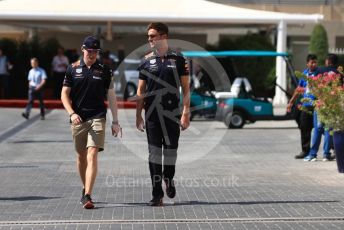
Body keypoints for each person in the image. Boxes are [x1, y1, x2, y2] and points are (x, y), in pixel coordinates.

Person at [61, 36, 122, 209]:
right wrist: (71, 113)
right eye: (90, 51)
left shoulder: (104, 70)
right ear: (83, 49)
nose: (93, 54)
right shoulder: (72, 69)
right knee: (81, 157)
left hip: (98, 116)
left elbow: (111, 96)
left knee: (92, 153)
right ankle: (84, 187)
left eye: (96, 52)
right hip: (78, 118)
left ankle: (88, 195)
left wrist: (115, 121)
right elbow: (64, 94)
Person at [136, 22, 190, 206]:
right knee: (154, 154)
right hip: (151, 114)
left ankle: (169, 177)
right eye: (148, 36)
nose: (149, 39)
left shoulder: (179, 59)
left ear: (163, 36)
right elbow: (140, 91)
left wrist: (185, 112)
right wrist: (138, 116)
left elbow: (186, 88)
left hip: (172, 113)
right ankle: (156, 194)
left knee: (170, 151)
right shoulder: (145, 60)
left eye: (153, 36)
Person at [304, 54, 339, 161]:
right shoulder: (340, 73)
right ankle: (326, 154)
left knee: (318, 129)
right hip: (332, 104)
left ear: (328, 61)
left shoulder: (320, 70)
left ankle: (313, 154)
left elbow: (313, 86)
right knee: (328, 129)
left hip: (320, 104)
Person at [287, 54, 319, 159]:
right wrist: (291, 101)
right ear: (307, 63)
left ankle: (329, 150)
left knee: (320, 129)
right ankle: (305, 151)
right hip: (306, 105)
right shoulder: (304, 74)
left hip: (317, 106)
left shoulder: (320, 74)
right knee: (304, 128)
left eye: (315, 62)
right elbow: (298, 88)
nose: (314, 64)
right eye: (312, 62)